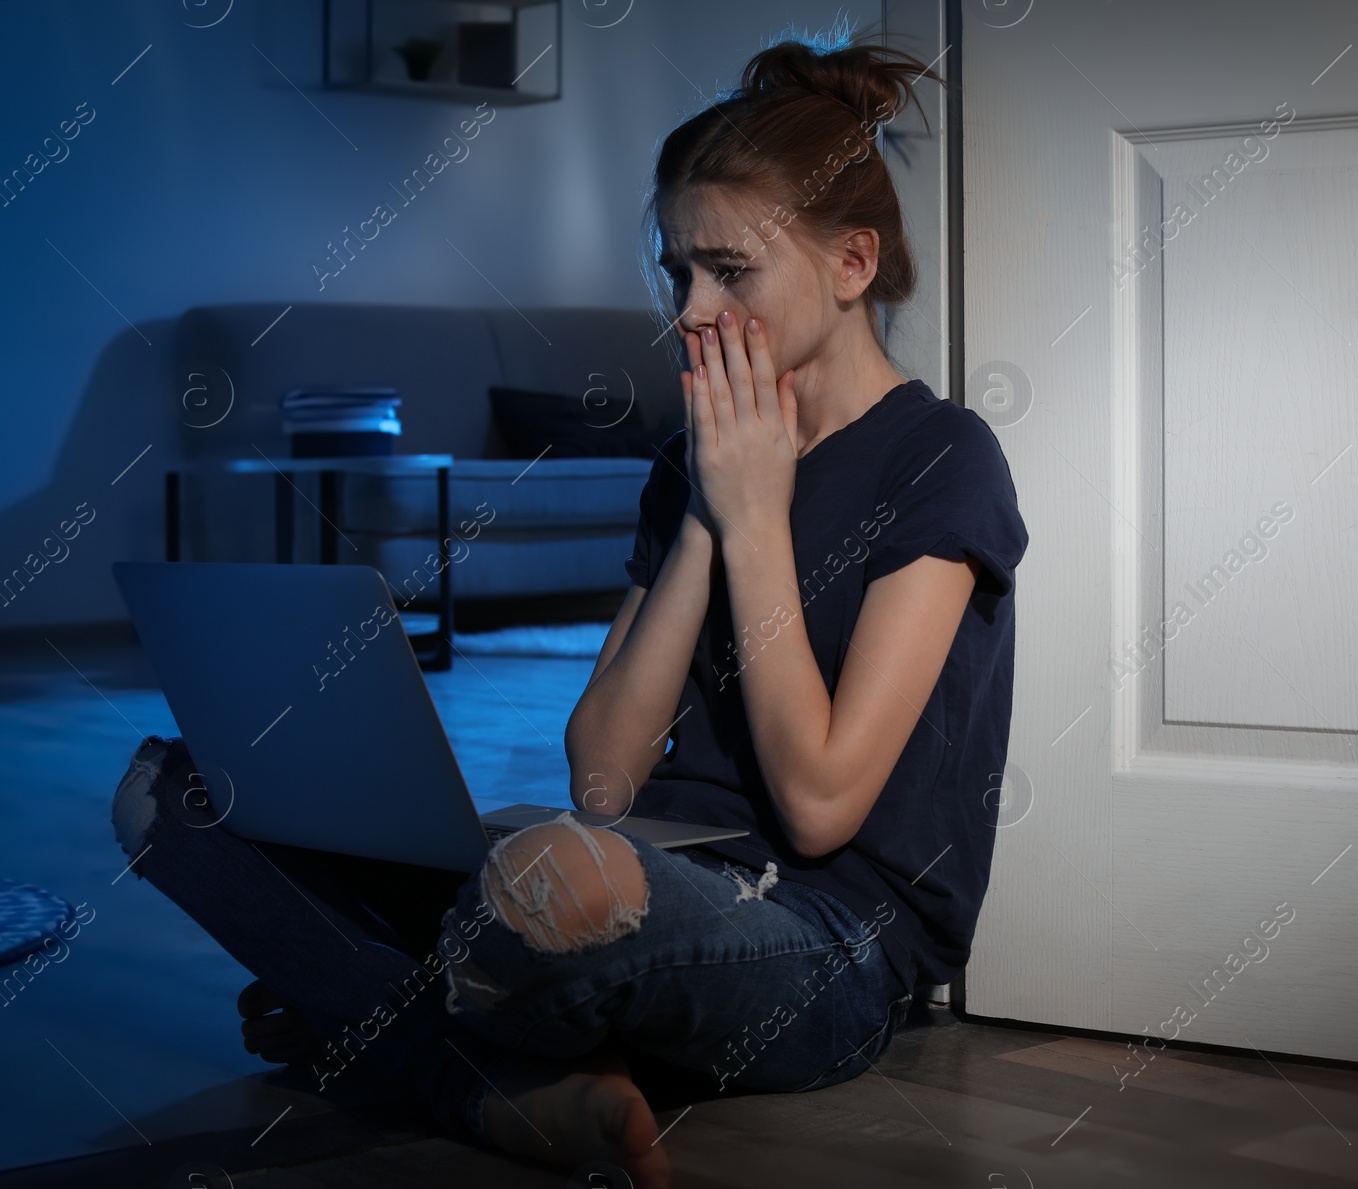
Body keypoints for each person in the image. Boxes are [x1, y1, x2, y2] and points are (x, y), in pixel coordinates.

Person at [111, 26, 1027, 1189]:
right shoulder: (684, 460)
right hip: (627, 864)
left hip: (827, 939)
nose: (689, 311)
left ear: (852, 265)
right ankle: (468, 1040)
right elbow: (603, 776)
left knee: (545, 891)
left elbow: (818, 805)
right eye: (674, 271)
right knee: (165, 796)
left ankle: (403, 1032)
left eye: (728, 272)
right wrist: (705, 507)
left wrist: (755, 518)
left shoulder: (941, 459)